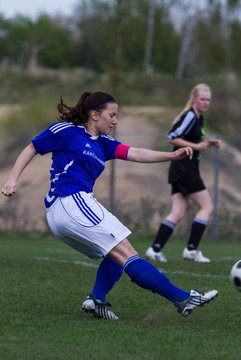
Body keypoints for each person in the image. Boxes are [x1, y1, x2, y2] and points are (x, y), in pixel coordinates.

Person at [1, 90, 218, 320]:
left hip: (70, 208)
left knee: (116, 250)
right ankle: (183, 298)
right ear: (94, 114)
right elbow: (32, 147)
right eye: (112, 115)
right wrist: (12, 179)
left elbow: (136, 153)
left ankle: (97, 299)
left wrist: (171, 157)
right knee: (126, 251)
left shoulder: (103, 144)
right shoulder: (67, 131)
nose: (115, 120)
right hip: (70, 201)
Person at [145, 83, 221, 264]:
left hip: (182, 169)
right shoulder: (190, 116)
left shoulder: (198, 118)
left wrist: (208, 143)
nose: (205, 103)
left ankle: (154, 249)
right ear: (194, 98)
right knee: (207, 207)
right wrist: (197, 146)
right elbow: (171, 137)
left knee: (178, 212)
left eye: (208, 100)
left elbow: (191, 141)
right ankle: (191, 250)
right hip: (184, 169)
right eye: (202, 99)